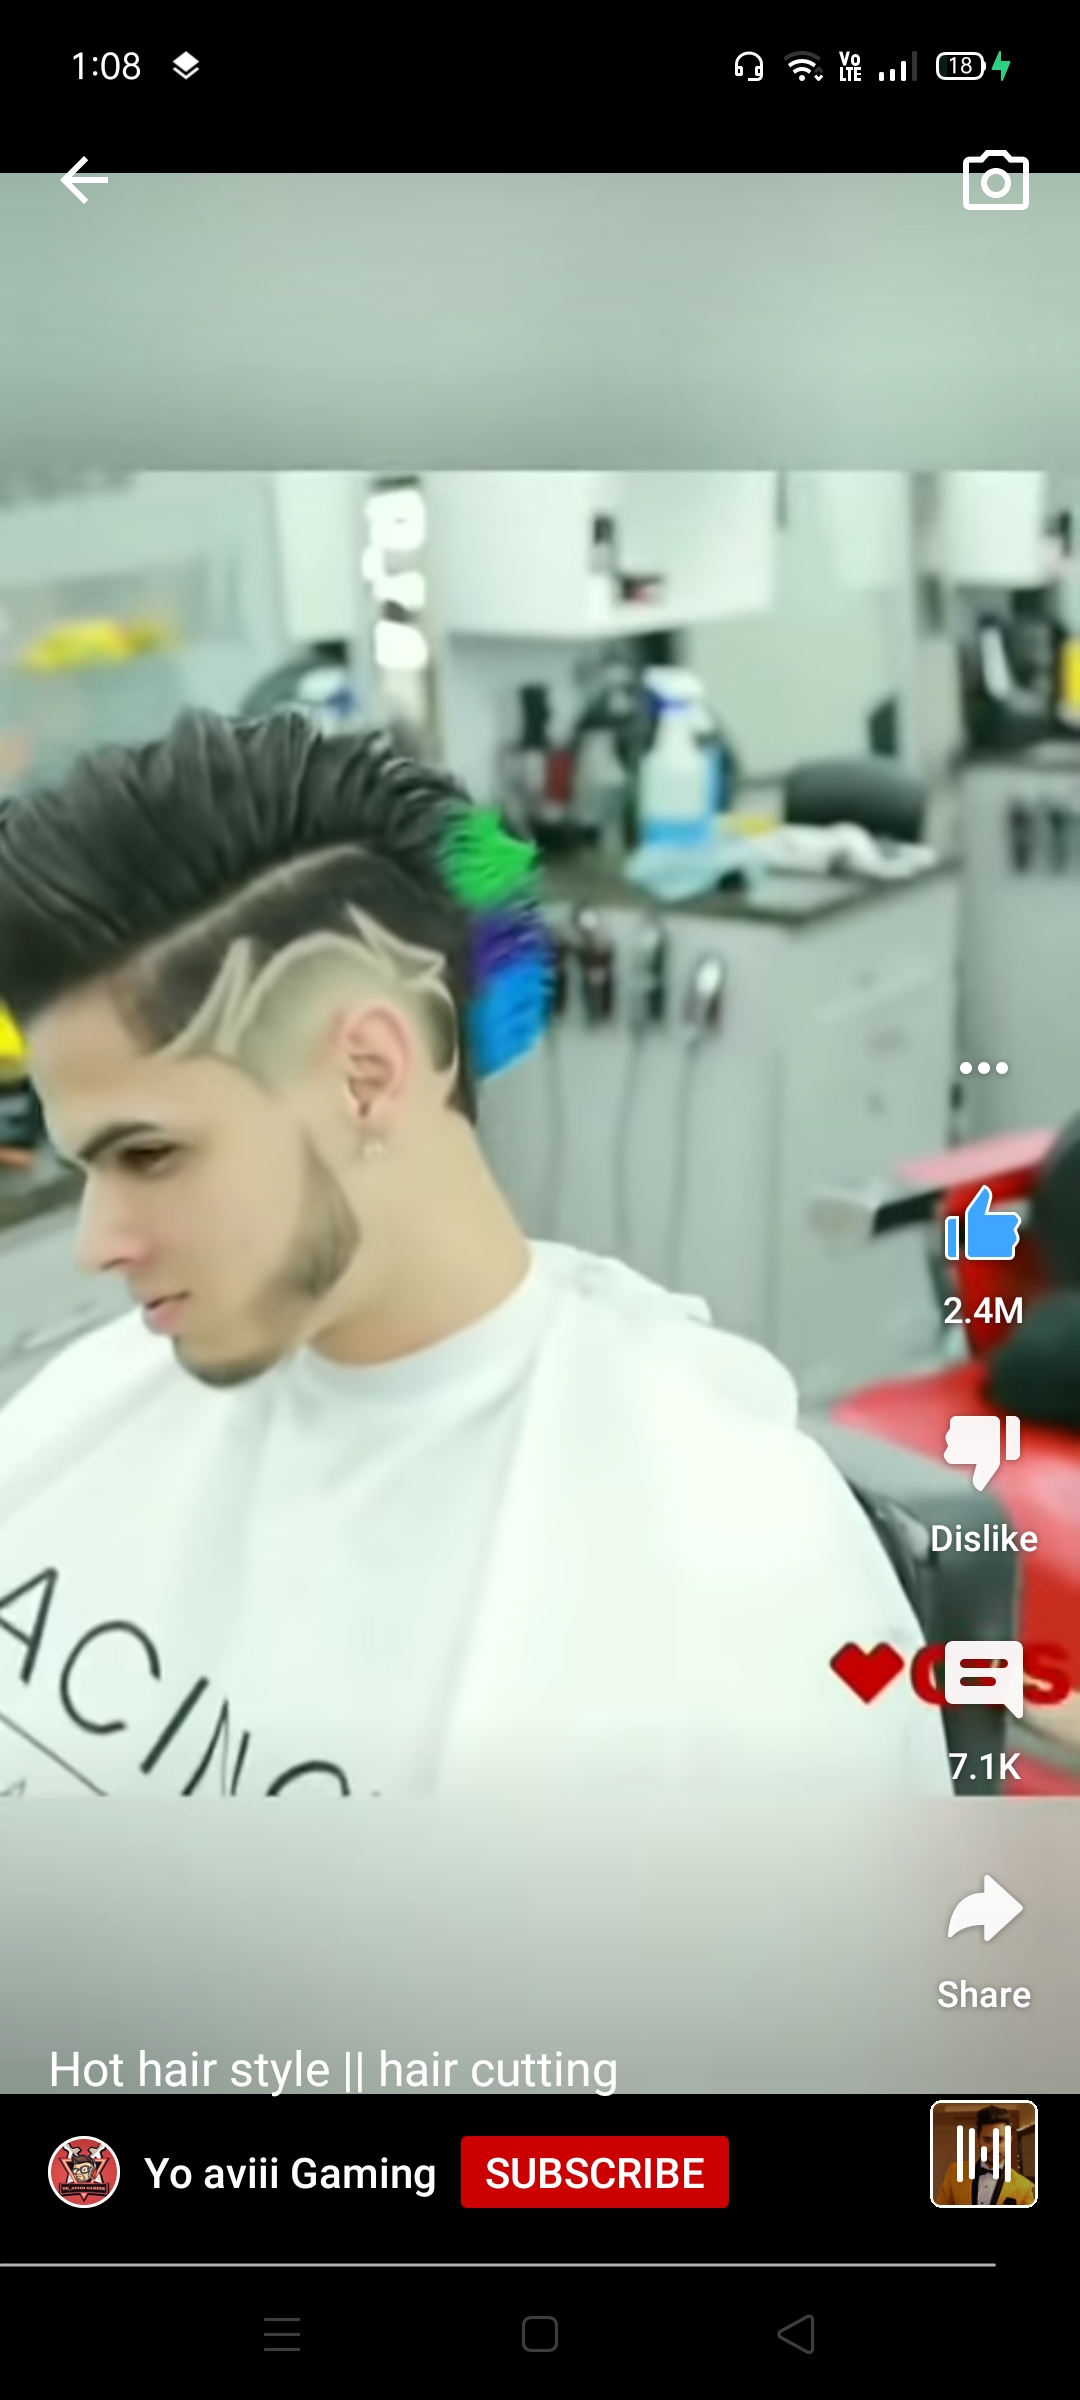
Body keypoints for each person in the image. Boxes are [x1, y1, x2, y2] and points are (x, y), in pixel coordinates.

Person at [0, 709, 950, 1799]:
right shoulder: (87, 1409)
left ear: (367, 1076)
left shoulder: (733, 1580)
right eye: (88, 1165)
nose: (98, 1243)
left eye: (151, 1154)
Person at [935, 2106, 1035, 2205]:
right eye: (987, 2140)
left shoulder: (1024, 2187)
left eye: (999, 2139)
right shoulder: (955, 2172)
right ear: (977, 2141)